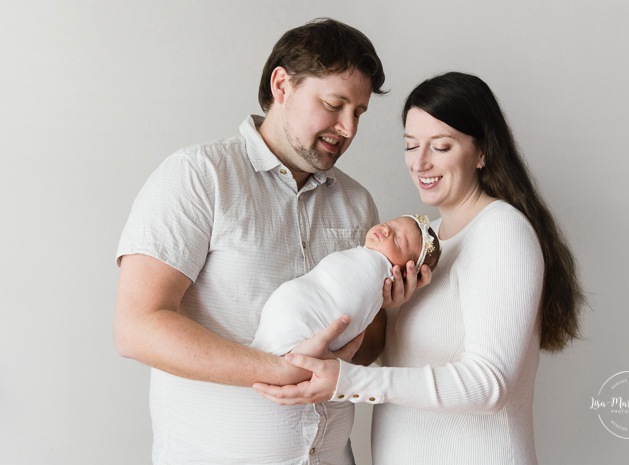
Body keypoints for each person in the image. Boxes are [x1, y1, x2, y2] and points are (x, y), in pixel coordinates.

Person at [114, 18, 432, 465]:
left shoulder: (358, 203)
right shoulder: (198, 176)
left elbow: (364, 342)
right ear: (282, 84)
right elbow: (137, 327)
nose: (348, 129)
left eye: (358, 113)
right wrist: (277, 370)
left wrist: (388, 312)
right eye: (334, 104)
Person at [253, 72, 585, 465]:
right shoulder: (428, 243)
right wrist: (383, 312)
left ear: (483, 153)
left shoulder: (502, 231)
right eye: (411, 146)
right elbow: (414, 370)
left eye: (441, 146)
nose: (421, 162)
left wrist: (346, 382)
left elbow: (489, 385)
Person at [252, 214, 441, 355]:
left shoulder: (380, 269)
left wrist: (383, 301)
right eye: (391, 224)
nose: (386, 230)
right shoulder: (361, 253)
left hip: (308, 322)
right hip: (292, 306)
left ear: (407, 272)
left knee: (290, 346)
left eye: (398, 240)